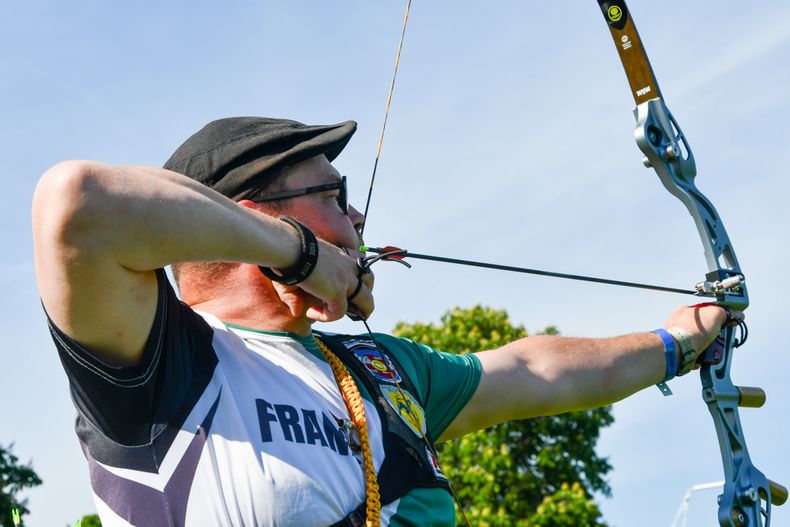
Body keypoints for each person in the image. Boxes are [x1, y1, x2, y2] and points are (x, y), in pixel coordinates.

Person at [33, 116, 732, 527]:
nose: (359, 217)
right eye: (333, 195)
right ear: (254, 219)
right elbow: (77, 204)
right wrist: (298, 252)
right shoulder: (162, 364)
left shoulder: (380, 372)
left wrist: (680, 341)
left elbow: (534, 371)